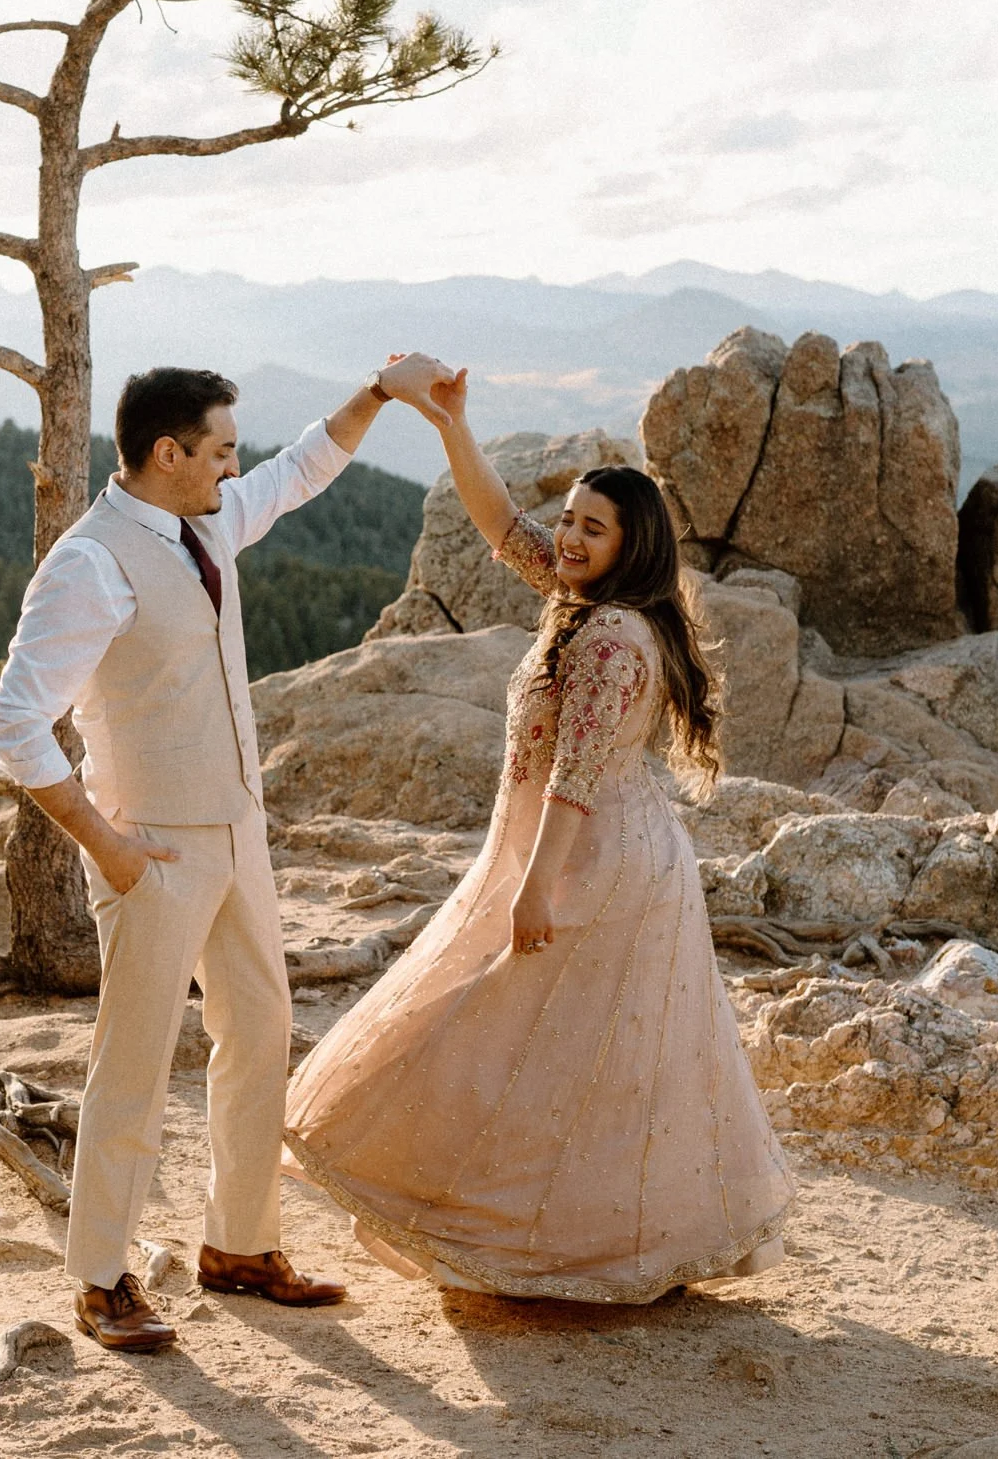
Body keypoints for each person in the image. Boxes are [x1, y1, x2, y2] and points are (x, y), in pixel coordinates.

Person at [283, 365, 794, 1302]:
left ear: (631, 547)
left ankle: (560, 1243)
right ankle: (547, 1234)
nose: (568, 537)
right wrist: (452, 425)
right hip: (601, 854)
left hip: (592, 863)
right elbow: (499, 522)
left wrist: (531, 888)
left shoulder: (610, 637)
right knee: (567, 1050)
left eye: (594, 528)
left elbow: (575, 778)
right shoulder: (590, 606)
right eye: (569, 520)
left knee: (519, 1038)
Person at [0, 355, 454, 1352]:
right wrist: (106, 845)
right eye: (222, 450)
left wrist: (378, 394)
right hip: (151, 847)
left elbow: (300, 470)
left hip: (237, 829)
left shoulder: (205, 520)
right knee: (135, 1058)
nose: (236, 467)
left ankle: (239, 1245)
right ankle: (100, 1276)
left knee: (260, 1027)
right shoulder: (90, 562)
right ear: (169, 453)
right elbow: (14, 721)